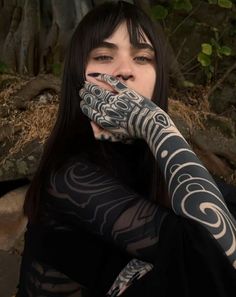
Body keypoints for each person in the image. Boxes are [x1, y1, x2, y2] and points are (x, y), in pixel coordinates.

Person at [16, 1, 236, 297]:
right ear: (78, 77)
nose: (124, 71)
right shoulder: (70, 177)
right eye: (104, 56)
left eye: (143, 58)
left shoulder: (151, 158)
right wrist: (158, 126)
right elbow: (220, 256)